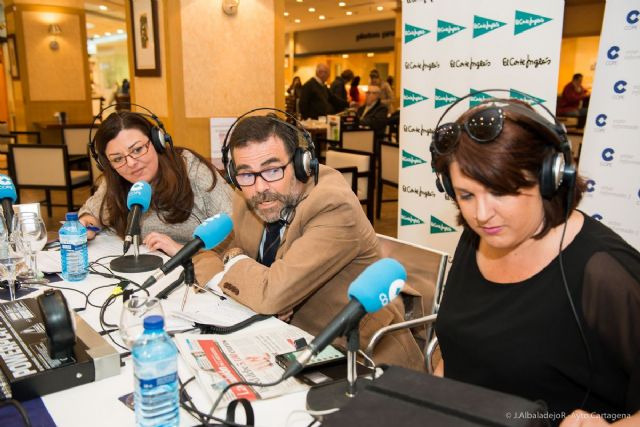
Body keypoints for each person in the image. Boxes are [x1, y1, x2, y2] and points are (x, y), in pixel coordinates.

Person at [430, 98, 640, 426]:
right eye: (466, 195)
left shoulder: (604, 270)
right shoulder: (478, 238)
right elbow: (460, 351)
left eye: (501, 192)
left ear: (549, 178)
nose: (481, 215)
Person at [193, 114, 425, 370]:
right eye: (246, 174)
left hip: (359, 356)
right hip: (284, 341)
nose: (259, 187)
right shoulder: (247, 193)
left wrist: (237, 263)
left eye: (272, 170)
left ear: (301, 164)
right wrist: (239, 265)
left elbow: (271, 294)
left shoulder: (333, 205)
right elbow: (204, 254)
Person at [79, 110, 234, 256]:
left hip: (197, 270)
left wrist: (182, 250)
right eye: (118, 158)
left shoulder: (191, 169)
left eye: (138, 149)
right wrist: (88, 223)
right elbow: (92, 211)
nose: (131, 163)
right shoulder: (118, 178)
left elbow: (237, 227)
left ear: (156, 141)